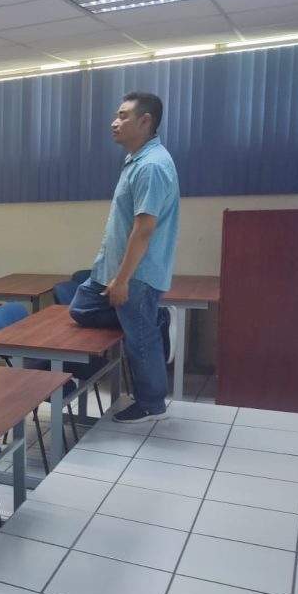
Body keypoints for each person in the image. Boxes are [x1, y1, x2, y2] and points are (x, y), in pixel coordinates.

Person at [69, 91, 179, 424]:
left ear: (145, 121)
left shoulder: (152, 166)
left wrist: (123, 280)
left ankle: (151, 404)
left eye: (123, 116)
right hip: (112, 268)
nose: (114, 122)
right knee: (81, 308)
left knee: (140, 338)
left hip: (136, 274)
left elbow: (144, 229)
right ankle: (156, 319)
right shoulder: (136, 160)